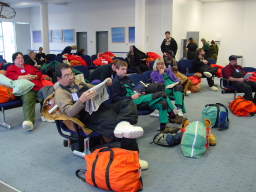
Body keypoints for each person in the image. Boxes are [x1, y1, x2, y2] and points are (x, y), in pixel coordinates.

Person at [54, 63, 148, 168]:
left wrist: (105, 83)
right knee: (121, 129)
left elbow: (93, 87)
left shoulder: (76, 82)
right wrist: (81, 101)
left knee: (127, 102)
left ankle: (123, 123)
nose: (71, 77)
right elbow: (70, 112)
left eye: (71, 74)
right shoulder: (60, 93)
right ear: (59, 78)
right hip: (90, 116)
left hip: (101, 107)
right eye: (66, 75)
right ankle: (134, 160)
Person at [111, 59, 180, 131]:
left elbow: (133, 88)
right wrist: (131, 97)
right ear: (116, 69)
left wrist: (140, 92)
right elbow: (115, 99)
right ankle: (173, 115)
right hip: (130, 102)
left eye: (125, 69)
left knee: (162, 103)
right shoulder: (115, 82)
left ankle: (163, 128)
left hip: (139, 98)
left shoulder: (127, 78)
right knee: (162, 94)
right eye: (122, 69)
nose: (125, 71)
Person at [6, 52, 43, 131]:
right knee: (28, 97)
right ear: (14, 60)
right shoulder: (11, 68)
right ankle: (29, 122)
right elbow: (10, 77)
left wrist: (35, 76)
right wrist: (22, 77)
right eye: (18, 58)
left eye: (22, 58)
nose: (21, 59)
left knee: (47, 92)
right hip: (24, 90)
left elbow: (39, 72)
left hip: (36, 86)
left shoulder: (29, 66)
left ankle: (47, 114)